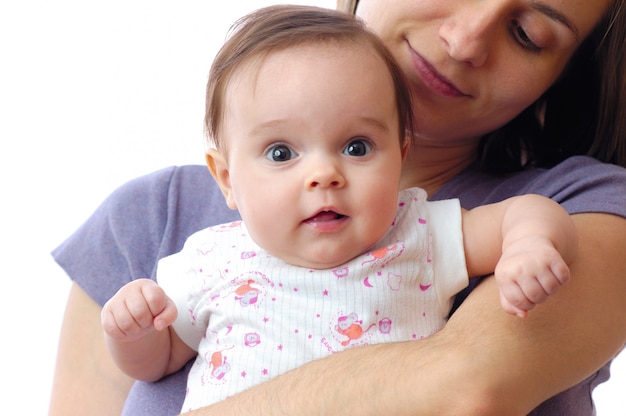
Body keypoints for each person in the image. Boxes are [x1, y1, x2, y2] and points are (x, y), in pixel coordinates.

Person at [49, 0, 626, 415]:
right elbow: (153, 355)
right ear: (224, 176)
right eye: (280, 152)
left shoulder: (420, 230)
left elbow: (466, 391)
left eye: (526, 32)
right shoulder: (187, 245)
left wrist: (530, 244)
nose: (466, 39)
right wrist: (132, 331)